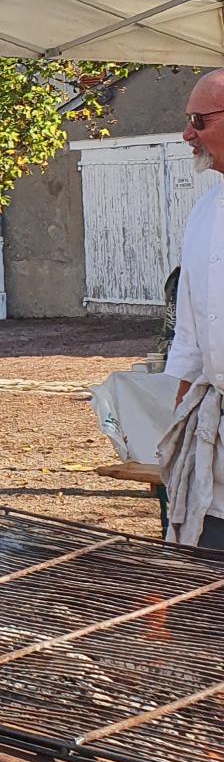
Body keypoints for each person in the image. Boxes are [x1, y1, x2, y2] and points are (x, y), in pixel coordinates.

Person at [160, 69, 224, 547]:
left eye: (198, 121)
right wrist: (179, 419)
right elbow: (190, 333)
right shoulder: (205, 211)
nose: (187, 134)